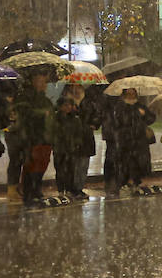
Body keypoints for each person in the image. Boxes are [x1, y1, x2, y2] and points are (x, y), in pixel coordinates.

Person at [10, 70, 56, 206]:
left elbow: (50, 115)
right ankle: (29, 192)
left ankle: (36, 190)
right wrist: (42, 114)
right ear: (33, 81)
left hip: (45, 138)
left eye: (44, 82)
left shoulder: (45, 99)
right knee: (31, 166)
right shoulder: (25, 96)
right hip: (32, 137)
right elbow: (23, 112)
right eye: (41, 81)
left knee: (42, 165)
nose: (44, 85)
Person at [108, 87, 154, 195]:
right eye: (128, 94)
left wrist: (144, 115)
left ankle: (136, 182)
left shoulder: (140, 106)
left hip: (140, 141)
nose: (131, 96)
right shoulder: (120, 107)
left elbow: (151, 118)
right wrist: (137, 114)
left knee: (139, 163)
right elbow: (121, 121)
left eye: (133, 94)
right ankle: (125, 183)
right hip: (126, 141)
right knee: (126, 163)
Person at [62, 83, 97, 200]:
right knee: (72, 165)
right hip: (72, 139)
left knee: (83, 165)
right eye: (74, 87)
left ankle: (79, 188)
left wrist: (94, 124)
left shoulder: (88, 102)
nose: (77, 90)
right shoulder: (65, 102)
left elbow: (96, 115)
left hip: (86, 137)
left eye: (79, 87)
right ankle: (71, 189)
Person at [52, 95, 84, 200]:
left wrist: (76, 143)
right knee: (60, 170)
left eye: (70, 105)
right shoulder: (55, 119)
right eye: (65, 105)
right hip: (59, 149)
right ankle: (61, 190)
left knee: (71, 170)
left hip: (71, 149)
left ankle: (69, 190)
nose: (68, 107)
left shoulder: (75, 120)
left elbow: (79, 134)